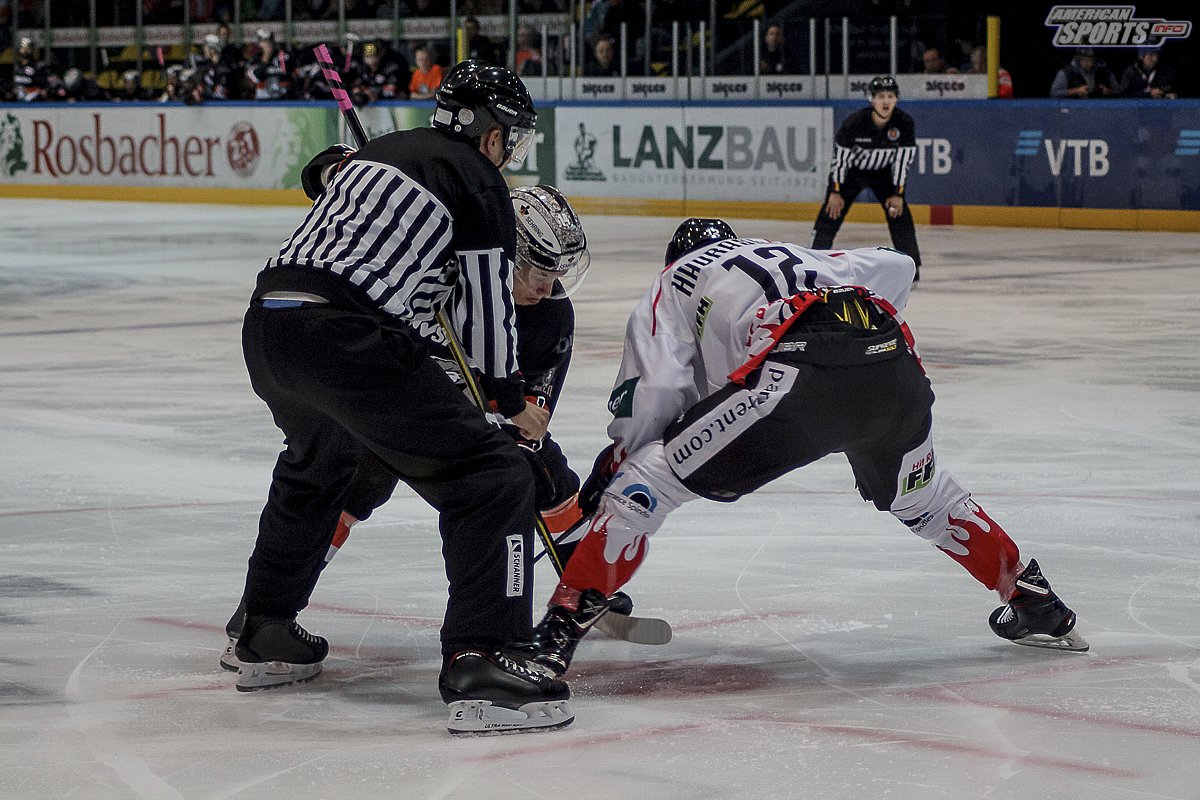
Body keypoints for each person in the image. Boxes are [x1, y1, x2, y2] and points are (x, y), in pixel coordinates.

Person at [516, 218, 1089, 681]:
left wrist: (620, 468)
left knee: (647, 483)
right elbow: (899, 266)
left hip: (797, 380)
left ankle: (556, 638)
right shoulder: (779, 250)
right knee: (930, 499)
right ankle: (1039, 603)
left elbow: (657, 392)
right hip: (892, 365)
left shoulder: (676, 280)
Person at [233, 60, 571, 734]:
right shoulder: (478, 180)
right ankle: (484, 659)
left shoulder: (380, 155)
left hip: (270, 324)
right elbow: (483, 307)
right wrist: (507, 398)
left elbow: (322, 177)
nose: (511, 152)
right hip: (348, 334)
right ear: (493, 136)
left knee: (321, 460)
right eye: (513, 137)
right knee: (492, 474)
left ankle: (262, 628)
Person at [221, 182, 592, 666]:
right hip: (394, 404)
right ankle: (267, 609)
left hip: (465, 417)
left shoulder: (551, 316)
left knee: (538, 469)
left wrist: (515, 424)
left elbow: (532, 411)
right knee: (353, 472)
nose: (548, 289)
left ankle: (585, 586)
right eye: (538, 272)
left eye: (557, 275)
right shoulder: (433, 279)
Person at [811, 75, 921, 281]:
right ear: (871, 99)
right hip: (852, 173)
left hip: (884, 174)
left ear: (896, 99)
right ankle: (814, 261)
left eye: (890, 96)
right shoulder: (854, 123)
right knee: (831, 212)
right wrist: (835, 191)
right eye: (880, 96)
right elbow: (840, 161)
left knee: (900, 213)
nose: (886, 101)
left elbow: (902, 162)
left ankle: (912, 267)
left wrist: (898, 193)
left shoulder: (904, 123)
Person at [1050, 47, 1116, 99]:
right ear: (1078, 59)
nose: (1089, 63)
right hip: (1073, 108)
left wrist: (1109, 92)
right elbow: (1054, 93)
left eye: (1091, 60)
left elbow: (1119, 92)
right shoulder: (1066, 72)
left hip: (1097, 108)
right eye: (1085, 60)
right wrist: (1075, 91)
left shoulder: (1102, 71)